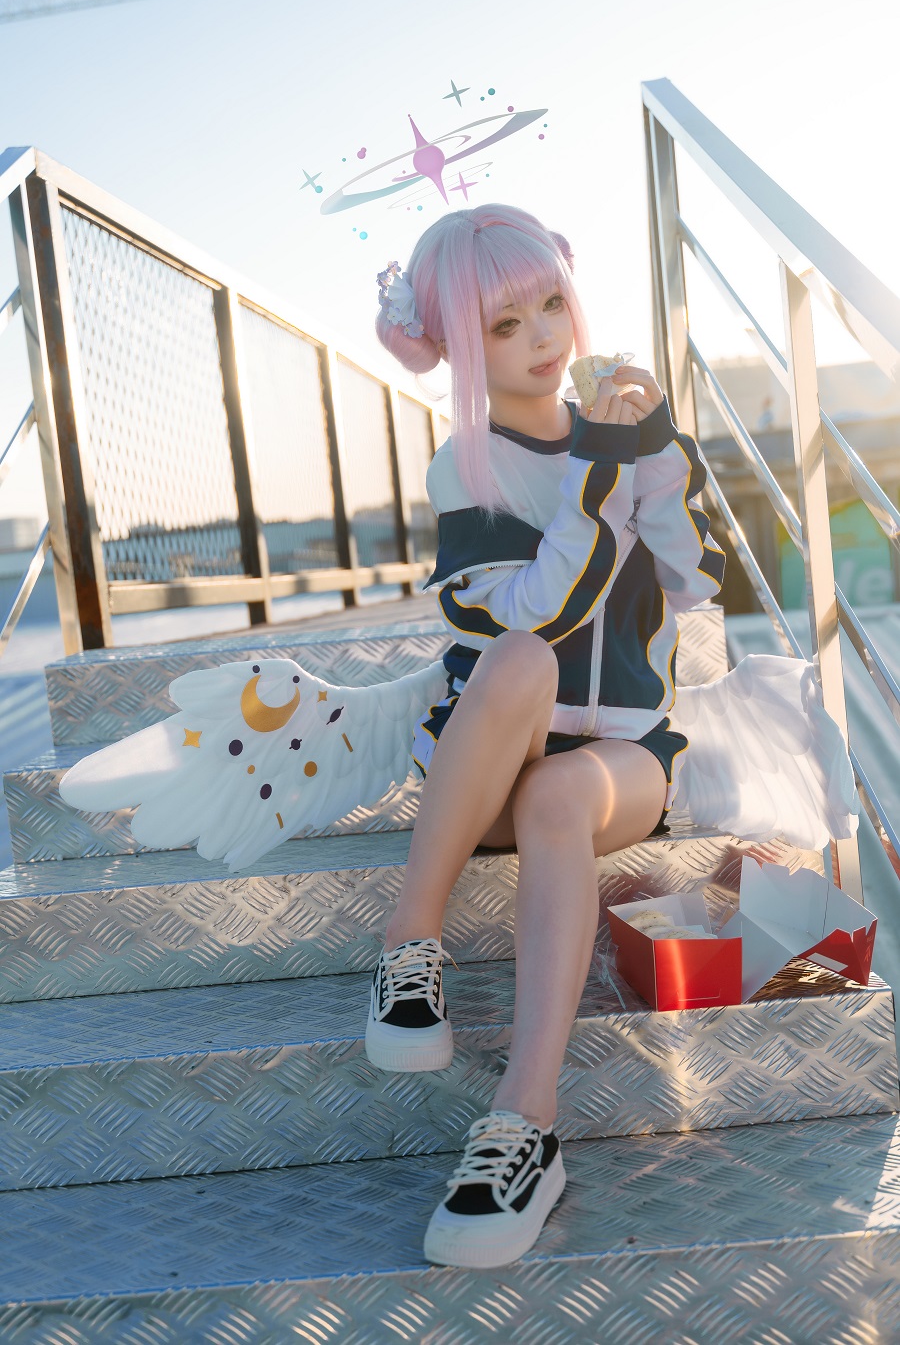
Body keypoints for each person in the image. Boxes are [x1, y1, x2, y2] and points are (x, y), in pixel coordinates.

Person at [368, 203, 726, 1270]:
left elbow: (695, 582)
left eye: (551, 305)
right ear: (458, 349)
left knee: (561, 798)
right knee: (522, 658)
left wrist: (653, 453)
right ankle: (410, 942)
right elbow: (534, 614)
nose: (541, 337)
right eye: (503, 323)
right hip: (496, 757)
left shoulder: (628, 435)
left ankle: (525, 1126)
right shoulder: (466, 466)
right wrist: (599, 473)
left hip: (616, 759)